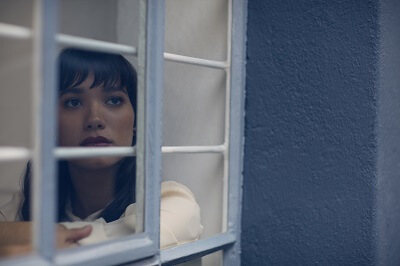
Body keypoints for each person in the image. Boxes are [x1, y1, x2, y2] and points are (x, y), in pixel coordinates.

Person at [0, 48, 203, 256]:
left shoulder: (173, 203)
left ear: (135, 122)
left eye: (114, 100)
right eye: (73, 102)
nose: (94, 119)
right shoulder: (24, 206)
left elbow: (126, 241)